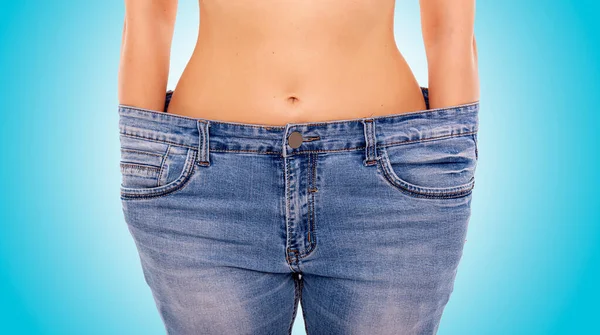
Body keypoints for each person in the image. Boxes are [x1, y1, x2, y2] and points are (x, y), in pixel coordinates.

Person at [117, 1, 479, 334]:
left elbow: (450, 28)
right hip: (204, 185)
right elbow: (149, 18)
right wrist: (145, 146)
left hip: (389, 185)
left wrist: (443, 148)